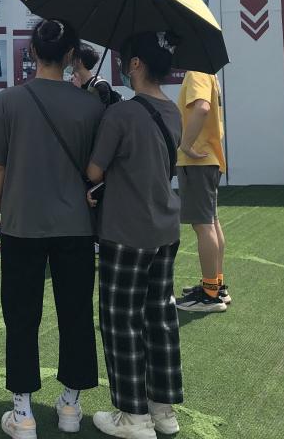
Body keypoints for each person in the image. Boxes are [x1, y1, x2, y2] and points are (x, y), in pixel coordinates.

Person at [0, 19, 103, 439]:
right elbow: (96, 170)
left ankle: (23, 412)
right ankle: (70, 405)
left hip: (21, 225)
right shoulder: (90, 106)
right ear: (70, 55)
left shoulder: (8, 101)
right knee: (76, 314)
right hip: (77, 227)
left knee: (21, 316)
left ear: (31, 51)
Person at [86, 31, 184, 439]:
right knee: (160, 317)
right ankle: (163, 411)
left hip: (125, 231)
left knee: (120, 321)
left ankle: (133, 415)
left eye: (126, 61)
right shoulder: (172, 111)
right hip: (165, 228)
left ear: (137, 64)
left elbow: (94, 171)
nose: (123, 67)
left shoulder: (121, 115)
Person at [175, 70, 230, 312]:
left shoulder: (196, 72)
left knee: (204, 225)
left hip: (198, 160)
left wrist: (186, 145)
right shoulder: (210, 74)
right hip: (209, 159)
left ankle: (210, 294)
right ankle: (216, 285)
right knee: (211, 222)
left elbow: (202, 107)